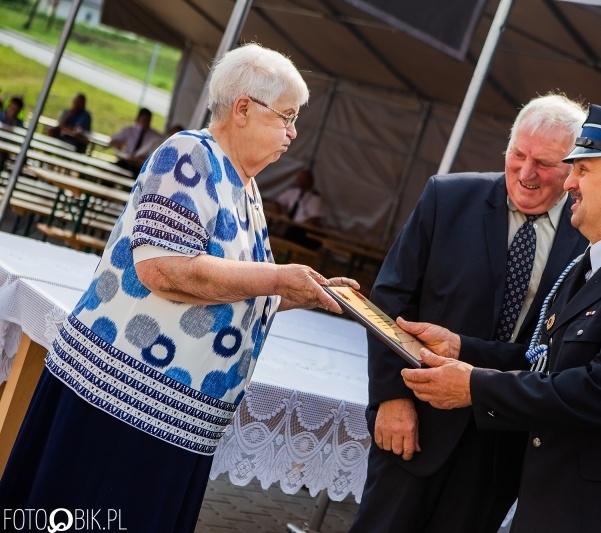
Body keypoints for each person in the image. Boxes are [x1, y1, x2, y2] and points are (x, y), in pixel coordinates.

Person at [0, 43, 358, 532]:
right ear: (243, 108)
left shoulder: (245, 185)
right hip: (121, 405)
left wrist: (296, 292)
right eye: (287, 117)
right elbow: (164, 268)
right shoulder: (190, 154)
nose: (294, 133)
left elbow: (228, 286)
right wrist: (277, 278)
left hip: (172, 417)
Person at [400, 104, 601, 532]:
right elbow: (547, 364)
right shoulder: (595, 262)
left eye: (582, 170)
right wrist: (462, 348)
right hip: (565, 499)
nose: (568, 183)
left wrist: (473, 386)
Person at [349, 94, 588, 533]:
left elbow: (557, 351)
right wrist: (391, 397)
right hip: (418, 423)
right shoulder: (447, 197)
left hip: (501, 445)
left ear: (574, 168)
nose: (526, 173)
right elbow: (390, 299)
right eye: (518, 154)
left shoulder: (588, 240)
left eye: (545, 163)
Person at [272, 169, 324, 248]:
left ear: (310, 182)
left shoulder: (315, 198)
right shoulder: (293, 192)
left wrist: (299, 225)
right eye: (299, 179)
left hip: (302, 229)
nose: (300, 182)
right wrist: (277, 215)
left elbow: (315, 217)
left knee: (292, 234)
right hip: (290, 224)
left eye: (303, 180)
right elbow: (278, 201)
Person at [109, 107, 163, 174]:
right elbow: (113, 140)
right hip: (126, 161)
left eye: (148, 120)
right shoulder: (129, 130)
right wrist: (118, 145)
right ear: (138, 118)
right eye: (144, 120)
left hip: (140, 167)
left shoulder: (154, 136)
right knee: (111, 170)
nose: (146, 123)